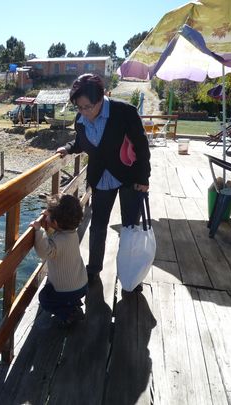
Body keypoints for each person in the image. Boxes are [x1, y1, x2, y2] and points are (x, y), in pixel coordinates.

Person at [56, 73, 151, 284]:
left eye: (87, 107)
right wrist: (69, 148)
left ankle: (130, 275)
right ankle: (94, 269)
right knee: (98, 226)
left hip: (130, 177)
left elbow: (142, 146)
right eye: (78, 108)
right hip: (101, 179)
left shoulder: (124, 112)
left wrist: (144, 178)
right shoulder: (81, 119)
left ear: (101, 99)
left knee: (129, 228)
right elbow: (82, 141)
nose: (83, 113)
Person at [31, 194, 88, 326]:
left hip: (66, 291)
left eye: (49, 216)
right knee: (65, 294)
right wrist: (49, 216)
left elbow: (43, 251)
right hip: (82, 286)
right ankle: (73, 304)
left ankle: (68, 314)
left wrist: (38, 230)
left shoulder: (57, 242)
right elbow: (55, 234)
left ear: (55, 222)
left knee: (44, 298)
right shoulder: (72, 233)